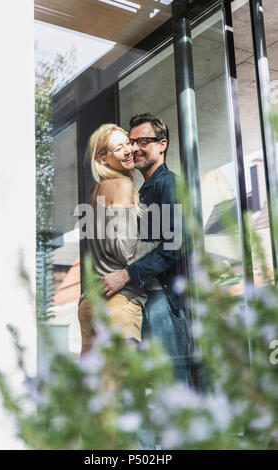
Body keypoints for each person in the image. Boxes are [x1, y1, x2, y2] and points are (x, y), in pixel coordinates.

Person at [102, 113, 191, 384]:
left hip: (164, 301)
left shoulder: (167, 185)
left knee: (173, 389)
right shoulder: (146, 190)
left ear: (162, 144)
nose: (135, 148)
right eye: (131, 142)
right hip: (151, 298)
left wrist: (125, 275)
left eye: (143, 141)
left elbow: (174, 245)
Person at [78, 123, 159, 355]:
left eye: (127, 143)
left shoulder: (97, 190)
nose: (128, 150)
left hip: (90, 302)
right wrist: (157, 240)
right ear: (103, 159)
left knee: (92, 387)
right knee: (122, 388)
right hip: (117, 302)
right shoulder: (122, 185)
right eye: (118, 148)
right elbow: (124, 250)